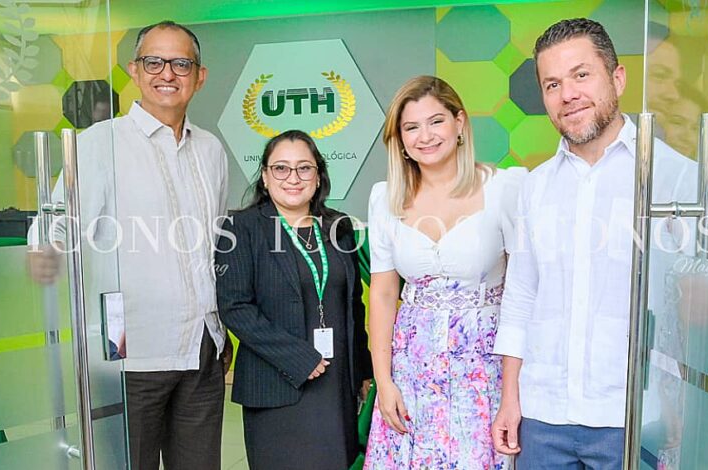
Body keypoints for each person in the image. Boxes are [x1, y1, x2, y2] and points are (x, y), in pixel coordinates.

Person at [490, 18, 708, 469]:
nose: (567, 94)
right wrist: (509, 399)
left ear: (617, 78)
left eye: (581, 74)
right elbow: (520, 298)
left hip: (634, 418)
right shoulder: (534, 188)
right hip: (543, 416)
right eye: (552, 83)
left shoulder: (674, 177)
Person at [28, 21, 231, 470]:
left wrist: (220, 329)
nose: (167, 74)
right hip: (128, 350)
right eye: (153, 62)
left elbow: (213, 245)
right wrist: (47, 254)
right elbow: (54, 227)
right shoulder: (101, 144)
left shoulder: (212, 151)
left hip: (202, 346)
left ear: (200, 77)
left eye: (181, 64)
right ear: (133, 71)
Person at [363, 75, 526, 469]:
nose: (425, 136)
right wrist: (384, 383)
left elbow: (523, 292)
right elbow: (384, 295)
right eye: (411, 127)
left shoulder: (506, 188)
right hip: (411, 370)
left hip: (482, 370)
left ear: (459, 123)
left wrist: (512, 391)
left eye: (436, 121)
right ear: (399, 139)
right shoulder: (385, 198)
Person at [215, 130, 372, 470]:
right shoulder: (241, 228)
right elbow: (235, 307)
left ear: (318, 175)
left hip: (336, 386)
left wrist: (362, 369)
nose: (293, 178)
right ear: (265, 176)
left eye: (304, 168)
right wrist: (298, 357)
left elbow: (353, 306)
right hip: (277, 385)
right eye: (281, 168)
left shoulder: (338, 227)